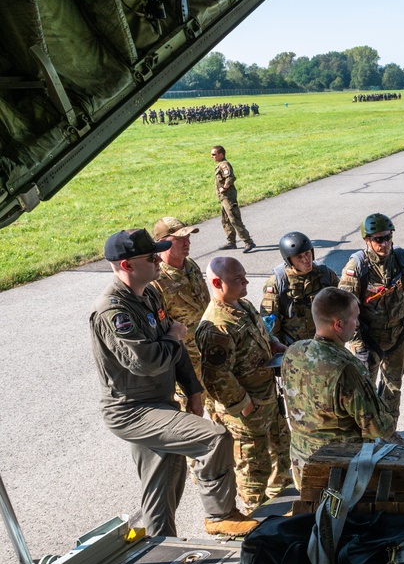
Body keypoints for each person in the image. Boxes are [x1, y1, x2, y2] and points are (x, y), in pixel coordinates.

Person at [90, 229, 257, 538]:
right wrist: (172, 336)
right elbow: (147, 360)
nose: (159, 260)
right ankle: (220, 514)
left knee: (163, 485)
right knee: (215, 437)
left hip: (160, 401)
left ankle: (160, 547)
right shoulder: (113, 311)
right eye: (152, 256)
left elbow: (175, 345)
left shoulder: (150, 293)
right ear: (127, 265)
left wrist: (193, 390)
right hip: (133, 411)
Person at [196, 257, 290, 511]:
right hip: (248, 411)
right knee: (253, 469)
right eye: (239, 279)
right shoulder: (217, 326)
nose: (246, 281)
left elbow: (260, 330)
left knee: (281, 456)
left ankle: (280, 507)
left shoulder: (242, 305)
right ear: (217, 282)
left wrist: (273, 343)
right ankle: (254, 518)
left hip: (268, 399)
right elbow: (217, 378)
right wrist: (245, 406)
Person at [282, 287, 396, 488]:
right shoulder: (345, 367)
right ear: (339, 324)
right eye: (355, 318)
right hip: (339, 472)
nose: (358, 324)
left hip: (302, 463)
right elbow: (378, 427)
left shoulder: (293, 351)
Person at [339, 213, 404, 444]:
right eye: (377, 239)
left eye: (387, 238)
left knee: (392, 389)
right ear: (367, 241)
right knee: (364, 395)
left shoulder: (401, 260)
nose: (383, 244)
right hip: (368, 340)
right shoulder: (357, 267)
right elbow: (344, 307)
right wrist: (359, 341)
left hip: (398, 336)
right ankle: (365, 440)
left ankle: (389, 435)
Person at [151, 216, 211, 413]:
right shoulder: (156, 279)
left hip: (209, 354)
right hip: (186, 365)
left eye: (188, 237)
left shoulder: (190, 265)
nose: (187, 243)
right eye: (180, 239)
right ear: (162, 243)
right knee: (192, 420)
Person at [260, 231, 339, 345]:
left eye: (308, 253)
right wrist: (278, 347)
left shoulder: (324, 274)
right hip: (294, 347)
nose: (306, 259)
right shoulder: (277, 283)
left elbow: (344, 303)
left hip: (325, 343)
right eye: (299, 257)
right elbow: (270, 323)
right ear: (289, 260)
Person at [211, 145, 256, 253]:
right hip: (223, 198)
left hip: (228, 197)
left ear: (221, 154)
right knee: (225, 220)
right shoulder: (219, 165)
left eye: (214, 154)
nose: (212, 156)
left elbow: (230, 177)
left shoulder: (224, 165)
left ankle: (248, 242)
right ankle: (231, 242)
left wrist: (224, 188)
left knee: (234, 219)